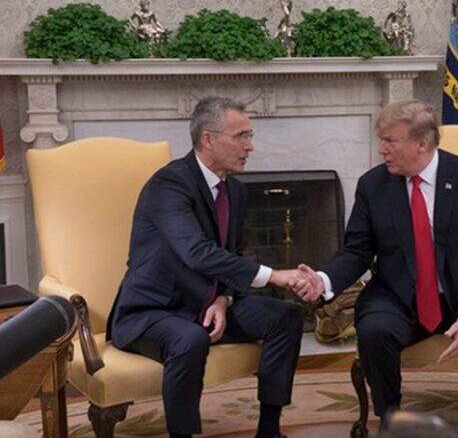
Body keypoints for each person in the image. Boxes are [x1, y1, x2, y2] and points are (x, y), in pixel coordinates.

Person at [295, 100, 458, 438]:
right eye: (381, 141)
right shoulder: (372, 185)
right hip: (399, 293)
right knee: (374, 331)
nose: (382, 150)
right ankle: (391, 415)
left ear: (422, 143)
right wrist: (323, 280)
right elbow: (357, 250)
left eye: (390, 141)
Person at [107, 97, 309, 438]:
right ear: (208, 139)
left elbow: (232, 254)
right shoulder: (168, 185)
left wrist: (223, 300)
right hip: (153, 310)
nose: (250, 146)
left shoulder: (237, 191)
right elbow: (197, 252)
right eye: (241, 136)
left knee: (285, 318)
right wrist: (275, 276)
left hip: (206, 305)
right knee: (189, 338)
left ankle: (269, 430)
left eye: (251, 135)